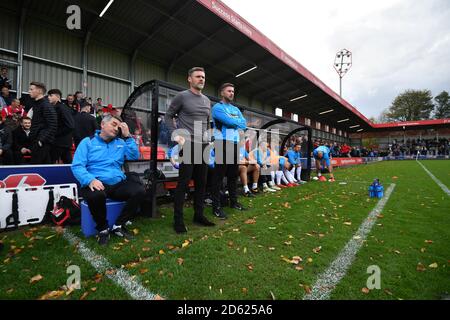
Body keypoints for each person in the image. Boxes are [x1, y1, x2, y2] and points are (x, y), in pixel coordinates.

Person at [71, 114, 144, 246]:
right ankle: (103, 229)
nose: (116, 129)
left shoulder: (121, 142)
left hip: (117, 183)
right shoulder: (88, 142)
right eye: (113, 124)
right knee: (96, 195)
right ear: (103, 125)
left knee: (139, 190)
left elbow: (134, 156)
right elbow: (77, 166)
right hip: (96, 181)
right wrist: (90, 180)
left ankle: (118, 225)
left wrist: (128, 136)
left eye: (119, 126)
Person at [164, 67, 215, 233]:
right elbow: (168, 116)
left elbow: (208, 123)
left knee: (202, 183)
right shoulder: (182, 96)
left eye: (203, 77)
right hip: (188, 145)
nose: (201, 79)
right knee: (183, 183)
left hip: (204, 145)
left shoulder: (207, 101)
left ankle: (198, 215)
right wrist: (175, 134)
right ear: (190, 79)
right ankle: (178, 220)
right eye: (198, 76)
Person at [211, 83, 247, 219]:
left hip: (235, 143)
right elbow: (230, 123)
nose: (232, 93)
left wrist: (234, 121)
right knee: (219, 177)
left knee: (233, 175)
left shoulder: (236, 109)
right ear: (222, 93)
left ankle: (234, 202)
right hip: (221, 143)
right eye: (229, 91)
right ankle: (216, 207)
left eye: (233, 91)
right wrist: (235, 121)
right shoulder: (217, 108)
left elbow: (243, 124)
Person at [28, 82, 57, 164]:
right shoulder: (37, 104)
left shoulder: (46, 105)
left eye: (31, 89)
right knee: (44, 168)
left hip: (42, 143)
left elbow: (52, 125)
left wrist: (40, 140)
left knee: (36, 167)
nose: (29, 91)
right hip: (36, 141)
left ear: (40, 91)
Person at [48, 89, 75, 164]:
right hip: (61, 142)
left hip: (59, 143)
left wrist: (55, 134)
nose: (48, 97)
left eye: (51, 95)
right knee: (68, 163)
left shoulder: (62, 108)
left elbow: (70, 125)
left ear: (57, 96)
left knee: (50, 162)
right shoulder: (57, 107)